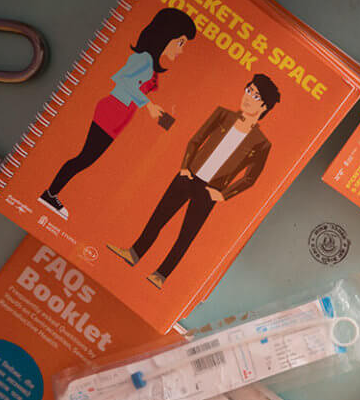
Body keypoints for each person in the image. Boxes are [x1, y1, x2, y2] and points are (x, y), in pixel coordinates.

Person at [106, 74, 281, 289]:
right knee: (159, 216)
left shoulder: (261, 143)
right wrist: (184, 167)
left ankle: (161, 274)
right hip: (188, 176)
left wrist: (224, 195)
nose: (247, 97)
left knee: (186, 234)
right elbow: (196, 140)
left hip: (210, 191)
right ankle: (134, 253)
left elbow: (250, 177)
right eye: (248, 90)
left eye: (255, 95)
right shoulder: (223, 114)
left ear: (264, 106)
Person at [39, 8, 196, 220]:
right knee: (84, 158)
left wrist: (150, 107)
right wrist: (147, 104)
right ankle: (50, 194)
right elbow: (122, 79)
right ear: (166, 36)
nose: (181, 50)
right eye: (181, 42)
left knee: (86, 159)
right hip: (112, 111)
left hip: (119, 117)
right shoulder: (143, 60)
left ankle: (51, 193)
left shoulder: (151, 64)